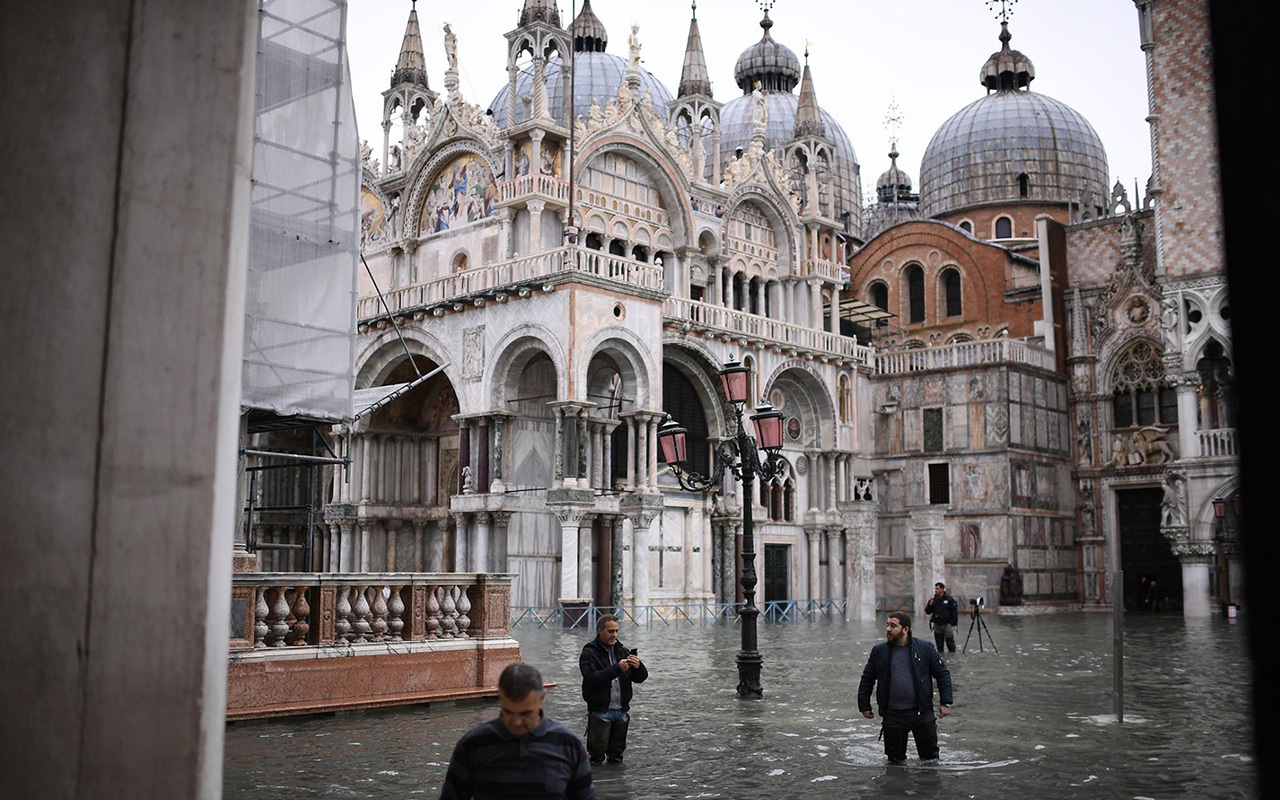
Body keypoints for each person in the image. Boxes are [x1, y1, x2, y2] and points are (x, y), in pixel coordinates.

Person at [440, 662, 595, 799]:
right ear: (499, 697)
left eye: (525, 713)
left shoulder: (569, 745)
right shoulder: (472, 745)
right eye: (508, 712)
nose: (516, 722)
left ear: (542, 698)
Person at [857, 611, 953, 765]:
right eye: (887, 625)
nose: (888, 629)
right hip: (893, 714)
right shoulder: (879, 651)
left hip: (922, 713)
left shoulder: (925, 648)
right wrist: (864, 705)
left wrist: (945, 702)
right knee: (894, 762)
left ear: (905, 629)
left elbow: (942, 674)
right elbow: (867, 678)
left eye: (893, 626)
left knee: (930, 760)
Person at [579, 614, 648, 765]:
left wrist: (638, 666)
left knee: (617, 758)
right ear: (599, 631)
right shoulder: (589, 653)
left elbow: (640, 678)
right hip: (600, 711)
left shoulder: (622, 651)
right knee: (595, 759)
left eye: (616, 631)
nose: (614, 635)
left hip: (621, 712)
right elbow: (591, 679)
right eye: (610, 631)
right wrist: (617, 668)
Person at [924, 582, 959, 653]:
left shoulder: (949, 599)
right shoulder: (934, 599)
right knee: (939, 646)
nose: (935, 590)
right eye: (935, 588)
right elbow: (928, 612)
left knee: (950, 644)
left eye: (937, 588)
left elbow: (954, 612)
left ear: (942, 589)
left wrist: (952, 623)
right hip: (937, 625)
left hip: (947, 624)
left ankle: (952, 658)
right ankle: (940, 658)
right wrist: (930, 604)